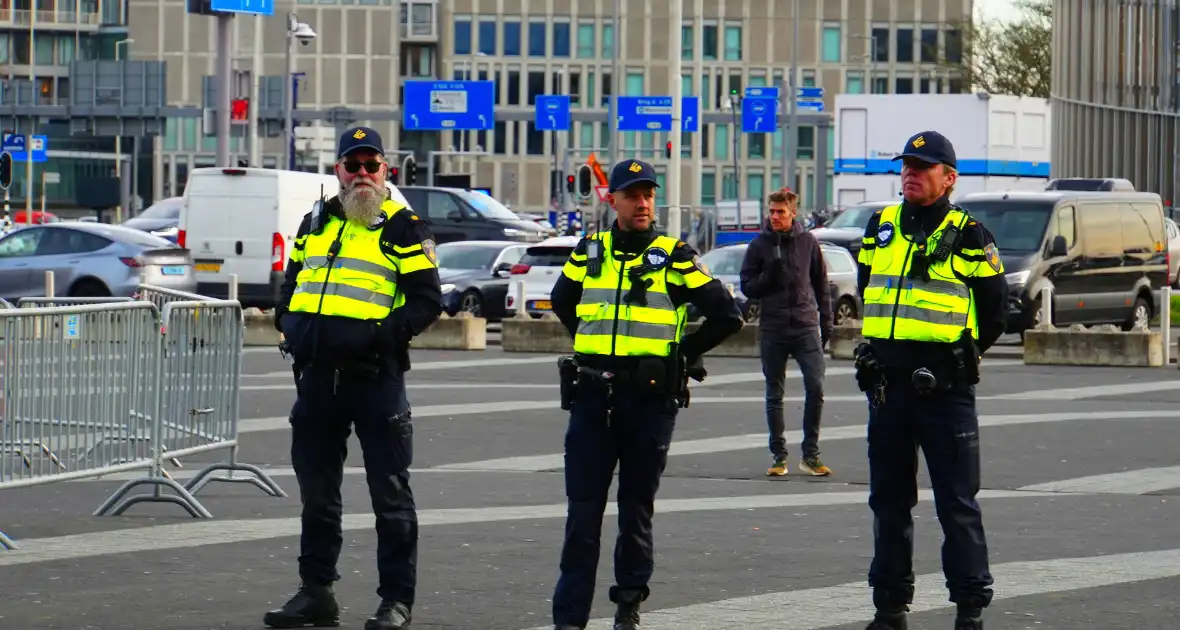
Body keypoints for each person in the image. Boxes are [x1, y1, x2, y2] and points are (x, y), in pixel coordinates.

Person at [548, 159, 744, 630]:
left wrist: (680, 355)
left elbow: (727, 315)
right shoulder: (589, 251)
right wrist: (591, 344)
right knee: (582, 515)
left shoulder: (674, 255)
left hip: (648, 402)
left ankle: (628, 605)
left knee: (635, 510)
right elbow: (561, 300)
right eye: (632, 194)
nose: (643, 202)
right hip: (594, 397)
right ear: (611, 199)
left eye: (649, 194)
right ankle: (569, 618)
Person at [265, 126, 442, 630]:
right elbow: (293, 279)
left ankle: (396, 601)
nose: (362, 174)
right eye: (353, 165)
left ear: (387, 171)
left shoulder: (404, 227)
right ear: (338, 170)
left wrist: (380, 337)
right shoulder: (315, 222)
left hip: (374, 380)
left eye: (371, 165)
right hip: (317, 379)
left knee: (390, 494)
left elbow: (429, 300)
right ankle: (316, 592)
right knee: (317, 493)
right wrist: (287, 321)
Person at [852, 130, 1008, 630]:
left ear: (949, 178)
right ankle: (889, 610)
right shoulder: (882, 226)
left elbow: (995, 313)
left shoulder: (969, 235)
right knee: (889, 505)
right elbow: (869, 292)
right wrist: (873, 353)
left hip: (944, 393)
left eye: (922, 166)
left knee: (956, 505)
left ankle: (968, 612)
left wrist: (958, 361)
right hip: (888, 391)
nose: (910, 173)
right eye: (906, 165)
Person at [739, 187, 834, 477]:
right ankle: (779, 455)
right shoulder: (759, 245)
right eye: (772, 211)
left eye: (781, 212)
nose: (775, 217)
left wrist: (826, 322)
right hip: (773, 326)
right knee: (774, 393)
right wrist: (769, 277)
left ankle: (811, 455)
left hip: (805, 324)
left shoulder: (808, 242)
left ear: (793, 212)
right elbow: (747, 285)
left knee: (816, 387)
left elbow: (821, 284)